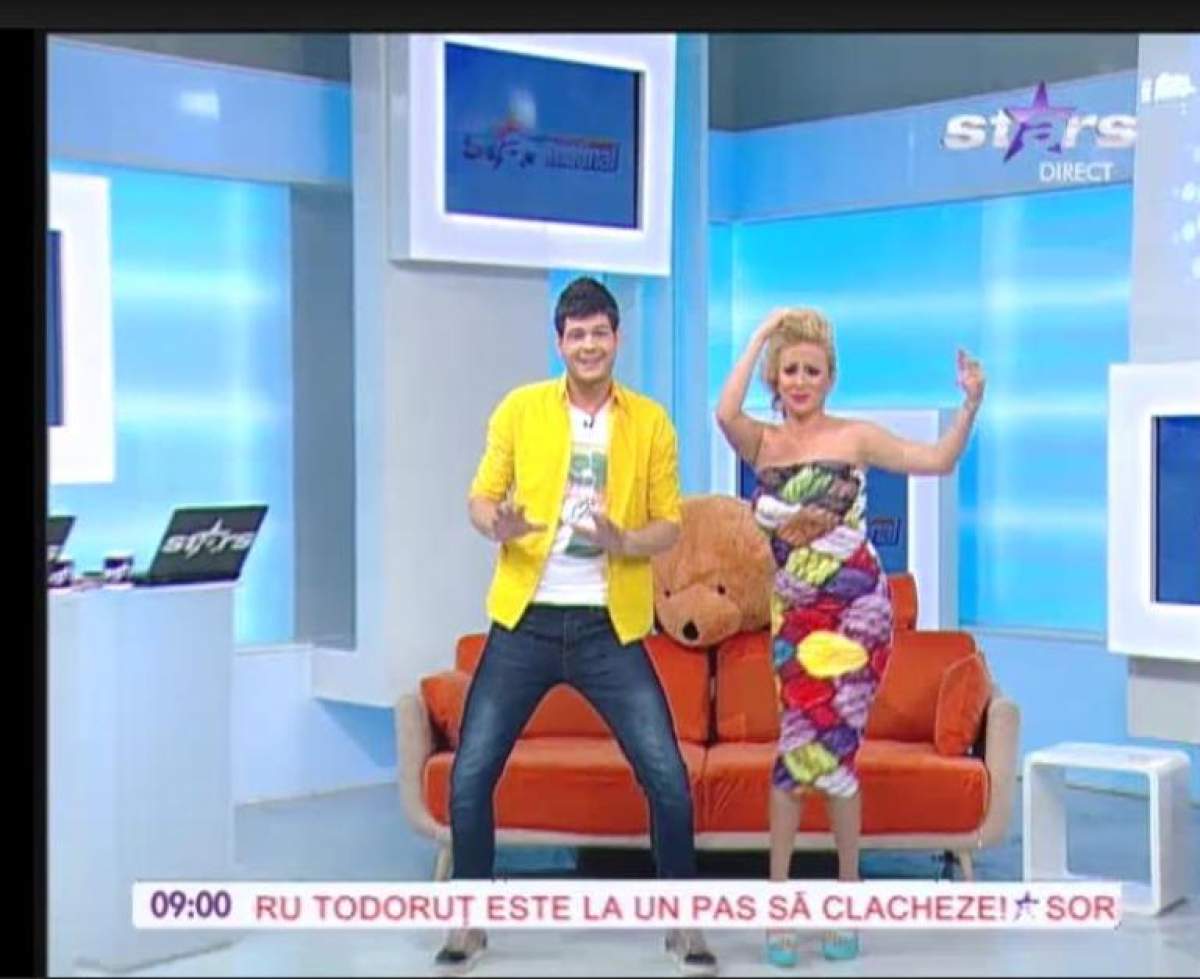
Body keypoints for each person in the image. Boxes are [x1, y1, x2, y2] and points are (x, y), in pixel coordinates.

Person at [434, 277, 719, 977]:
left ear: (617, 339)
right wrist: (495, 523)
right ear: (560, 343)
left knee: (665, 772)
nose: (589, 345)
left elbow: (669, 524)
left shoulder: (650, 422)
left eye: (600, 333)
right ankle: (469, 919)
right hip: (524, 622)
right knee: (472, 771)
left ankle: (683, 921)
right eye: (576, 334)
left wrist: (626, 539)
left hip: (608, 628)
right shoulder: (521, 409)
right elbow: (479, 496)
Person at [714, 307, 985, 966]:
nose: (800, 381)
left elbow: (938, 460)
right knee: (796, 753)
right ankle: (782, 902)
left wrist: (970, 404)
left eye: (812, 370)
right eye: (790, 370)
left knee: (828, 754)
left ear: (830, 378)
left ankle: (845, 896)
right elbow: (725, 412)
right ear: (775, 378)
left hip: (858, 613)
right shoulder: (761, 443)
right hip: (795, 616)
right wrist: (760, 335)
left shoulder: (855, 437)